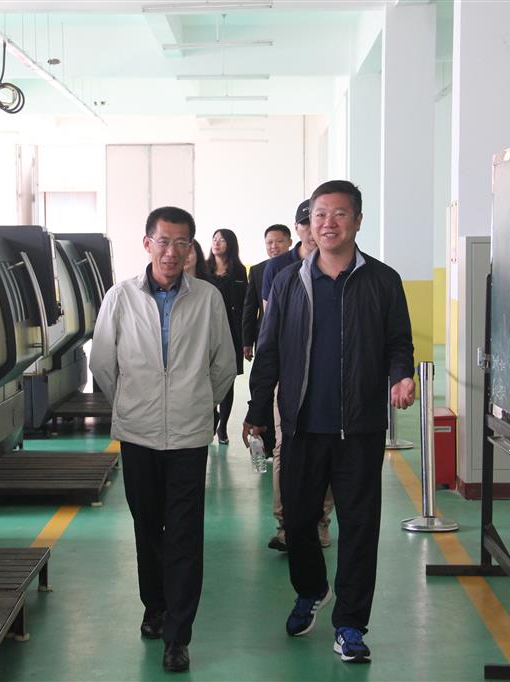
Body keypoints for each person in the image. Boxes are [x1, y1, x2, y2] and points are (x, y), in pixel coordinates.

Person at [243, 180, 415, 664]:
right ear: (309, 223)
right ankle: (311, 588)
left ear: (357, 221)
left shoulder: (382, 280)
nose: (328, 223)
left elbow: (398, 342)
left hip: (359, 429)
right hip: (302, 426)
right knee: (298, 522)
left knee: (359, 527)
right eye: (320, 214)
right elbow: (269, 352)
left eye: (339, 214)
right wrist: (258, 411)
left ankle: (351, 624)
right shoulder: (287, 282)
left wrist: (401, 375)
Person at [90, 206, 236, 674]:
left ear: (192, 248)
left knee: (185, 535)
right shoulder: (120, 297)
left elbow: (224, 365)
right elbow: (103, 363)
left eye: (181, 243)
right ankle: (154, 606)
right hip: (138, 434)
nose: (172, 252)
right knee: (148, 525)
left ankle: (178, 635)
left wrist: (196, 402)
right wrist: (131, 404)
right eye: (163, 241)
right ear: (147, 243)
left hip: (189, 436)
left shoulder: (208, 299)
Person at [259, 202, 333, 553]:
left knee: (328, 451)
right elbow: (270, 325)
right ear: (300, 228)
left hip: (328, 380)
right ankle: (286, 524)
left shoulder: (340, 265)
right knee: (284, 448)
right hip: (288, 377)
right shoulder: (278, 268)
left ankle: (320, 523)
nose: (312, 228)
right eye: (307, 221)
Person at [205, 228, 247, 445]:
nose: (216, 243)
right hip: (207, 332)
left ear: (230, 244)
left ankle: (223, 427)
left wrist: (246, 340)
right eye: (214, 239)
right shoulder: (204, 269)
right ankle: (212, 418)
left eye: (221, 240)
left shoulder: (239, 271)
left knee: (227, 378)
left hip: (232, 332)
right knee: (206, 377)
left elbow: (245, 305)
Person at [242, 224, 292, 362]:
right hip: (265, 335)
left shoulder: (301, 267)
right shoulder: (257, 270)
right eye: (269, 242)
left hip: (293, 333)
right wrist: (247, 341)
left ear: (290, 242)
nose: (274, 246)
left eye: (279, 241)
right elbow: (250, 308)